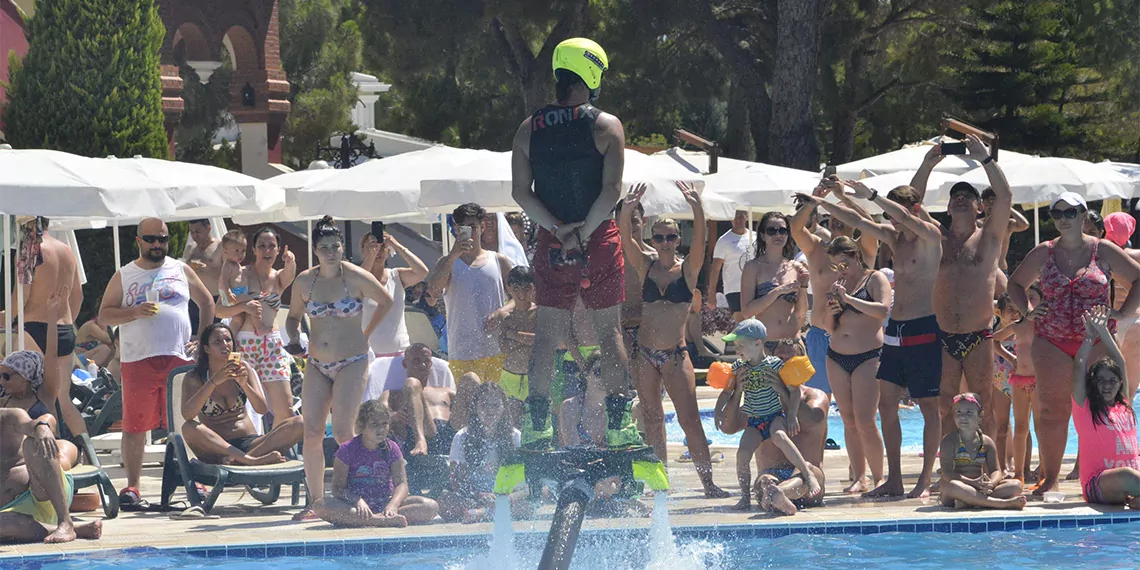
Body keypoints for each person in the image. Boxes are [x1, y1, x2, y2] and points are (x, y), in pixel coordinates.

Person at [510, 37, 635, 449]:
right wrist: (583, 232)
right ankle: (618, 424)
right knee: (608, 331)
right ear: (592, 73)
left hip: (551, 241)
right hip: (597, 238)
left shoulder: (528, 129)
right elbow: (610, 191)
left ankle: (537, 423)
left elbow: (521, 194)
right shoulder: (606, 125)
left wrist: (558, 229)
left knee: (547, 333)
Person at [807, 178, 944, 498]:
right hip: (896, 331)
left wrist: (872, 195)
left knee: (928, 407)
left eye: (897, 214)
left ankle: (923, 481)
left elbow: (910, 219)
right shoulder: (896, 239)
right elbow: (859, 221)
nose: (892, 221)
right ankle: (893, 480)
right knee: (886, 408)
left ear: (911, 209)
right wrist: (822, 202)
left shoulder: (930, 236)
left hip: (924, 327)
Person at [1008, 193, 1140, 494]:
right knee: (1052, 411)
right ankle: (1050, 477)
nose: (1063, 218)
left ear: (1084, 216)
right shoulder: (1045, 252)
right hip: (1051, 341)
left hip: (1094, 340)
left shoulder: (1102, 250)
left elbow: (1137, 279)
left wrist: (1122, 312)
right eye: (1057, 213)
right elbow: (1015, 283)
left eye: (1070, 212)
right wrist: (1028, 312)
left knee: (1101, 407)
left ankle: (1098, 471)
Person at [618, 182, 728, 498]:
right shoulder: (646, 266)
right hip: (646, 354)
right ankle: (660, 483)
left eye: (670, 237)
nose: (665, 242)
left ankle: (708, 483)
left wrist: (697, 207)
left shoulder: (688, 271)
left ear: (678, 240)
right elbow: (626, 241)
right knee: (652, 420)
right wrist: (626, 210)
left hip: (676, 354)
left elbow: (704, 243)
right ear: (653, 240)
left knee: (690, 419)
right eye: (659, 237)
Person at [98, 217, 215, 510]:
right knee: (135, 424)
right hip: (138, 356)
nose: (157, 244)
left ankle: (195, 479)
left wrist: (202, 341)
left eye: (162, 239)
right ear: (138, 241)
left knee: (187, 419)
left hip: (178, 356)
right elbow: (105, 315)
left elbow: (207, 303)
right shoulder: (125, 275)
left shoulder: (180, 268)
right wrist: (134, 312)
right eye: (150, 239)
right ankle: (133, 486)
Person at [285, 216, 393, 520]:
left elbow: (386, 301)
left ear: (342, 247)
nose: (331, 252)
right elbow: (293, 317)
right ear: (315, 251)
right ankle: (317, 502)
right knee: (312, 432)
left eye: (336, 246)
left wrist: (366, 333)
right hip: (317, 363)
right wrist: (295, 335)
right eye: (325, 248)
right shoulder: (306, 281)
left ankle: (356, 494)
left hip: (352, 362)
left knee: (345, 430)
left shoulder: (356, 276)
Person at [914, 136, 1012, 447]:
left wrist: (985, 159)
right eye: (955, 195)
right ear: (947, 206)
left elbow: (1006, 195)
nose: (960, 198)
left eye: (967, 196)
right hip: (943, 335)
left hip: (978, 335)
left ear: (980, 207)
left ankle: (989, 464)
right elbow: (911, 205)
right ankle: (950, 465)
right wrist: (928, 164)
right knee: (946, 406)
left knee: (984, 404)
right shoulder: (937, 238)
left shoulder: (989, 238)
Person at [724, 319, 820, 510]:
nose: (738, 349)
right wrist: (736, 392)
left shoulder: (779, 368)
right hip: (757, 431)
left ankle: (804, 477)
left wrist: (790, 413)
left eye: (741, 345)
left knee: (780, 437)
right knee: (747, 460)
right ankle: (749, 497)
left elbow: (802, 403)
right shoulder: (742, 370)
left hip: (778, 425)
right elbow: (727, 424)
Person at [820, 236, 891, 493]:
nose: (841, 269)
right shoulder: (838, 285)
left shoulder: (875, 279)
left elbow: (882, 311)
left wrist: (848, 299)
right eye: (836, 265)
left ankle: (879, 477)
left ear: (854, 256)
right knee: (849, 420)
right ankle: (859, 477)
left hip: (868, 355)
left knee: (865, 420)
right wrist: (831, 309)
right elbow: (830, 327)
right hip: (837, 355)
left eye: (844, 263)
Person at [179, 323, 303, 466]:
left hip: (251, 443)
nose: (225, 345)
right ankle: (248, 460)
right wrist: (213, 382)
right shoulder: (195, 378)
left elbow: (261, 409)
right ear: (207, 349)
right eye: (217, 342)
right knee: (188, 428)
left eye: (228, 340)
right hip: (216, 447)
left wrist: (244, 384)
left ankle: (242, 461)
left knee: (300, 422)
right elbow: (187, 415)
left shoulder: (243, 369)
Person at [10, 217, 86, 438]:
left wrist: (6, 316)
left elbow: (21, 296)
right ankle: (88, 452)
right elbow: (78, 297)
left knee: (28, 397)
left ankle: (41, 454)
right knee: (63, 399)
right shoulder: (67, 251)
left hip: (34, 329)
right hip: (64, 330)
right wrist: (62, 318)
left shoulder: (30, 248)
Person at [214, 227, 297, 427]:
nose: (267, 251)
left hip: (271, 345)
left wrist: (291, 261)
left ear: (278, 250)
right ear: (254, 250)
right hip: (245, 344)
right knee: (243, 407)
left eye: (272, 246)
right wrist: (244, 306)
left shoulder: (278, 277)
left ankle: (279, 450)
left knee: (285, 406)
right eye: (262, 246)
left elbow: (290, 274)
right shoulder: (241, 274)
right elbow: (219, 310)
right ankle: (250, 449)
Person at [313, 399, 439, 527]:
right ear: (362, 426)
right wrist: (357, 500)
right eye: (374, 425)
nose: (381, 429)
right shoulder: (347, 449)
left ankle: (381, 517)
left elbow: (402, 484)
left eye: (384, 424)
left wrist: (393, 506)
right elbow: (338, 489)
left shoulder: (392, 448)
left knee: (430, 506)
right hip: (356, 507)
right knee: (320, 505)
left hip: (385, 502)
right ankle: (377, 520)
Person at [427, 203, 512, 382]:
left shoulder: (499, 260)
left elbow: (518, 298)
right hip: (462, 350)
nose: (470, 232)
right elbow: (433, 290)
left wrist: (502, 311)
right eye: (464, 227)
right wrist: (452, 255)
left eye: (473, 227)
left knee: (496, 405)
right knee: (465, 406)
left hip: (496, 348)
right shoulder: (447, 262)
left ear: (482, 227)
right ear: (456, 229)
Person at [0, 294, 80, 469]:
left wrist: (52, 319)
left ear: (26, 377)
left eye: (7, 376)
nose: (2, 381)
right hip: (17, 456)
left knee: (61, 455)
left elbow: (51, 354)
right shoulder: (3, 399)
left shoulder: (45, 394)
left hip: (50, 450)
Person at [0, 407, 102, 544]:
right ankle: (75, 529)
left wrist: (41, 427)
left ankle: (65, 521)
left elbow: (29, 424)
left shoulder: (9, 416)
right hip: (10, 515)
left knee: (34, 443)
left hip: (43, 494)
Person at [1071, 306, 1140, 508]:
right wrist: (1089, 338)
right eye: (1100, 381)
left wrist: (1104, 332)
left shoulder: (1124, 405)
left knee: (1129, 477)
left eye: (1112, 381)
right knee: (1126, 475)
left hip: (1128, 488)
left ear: (1120, 383)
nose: (1106, 385)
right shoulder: (1086, 408)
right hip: (1098, 484)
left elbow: (1119, 361)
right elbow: (1078, 367)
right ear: (1094, 384)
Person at [438, 382, 529, 523]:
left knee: (529, 503)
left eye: (495, 405)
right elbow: (456, 480)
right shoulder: (462, 437)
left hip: (504, 496)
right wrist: (479, 495)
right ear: (475, 408)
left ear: (504, 408)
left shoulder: (514, 436)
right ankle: (491, 511)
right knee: (445, 502)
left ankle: (483, 513)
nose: (490, 411)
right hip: (475, 497)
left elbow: (517, 478)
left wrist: (504, 497)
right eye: (484, 405)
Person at [938, 393, 1026, 510]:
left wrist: (992, 483)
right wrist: (972, 482)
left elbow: (996, 470)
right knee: (954, 486)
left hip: (980, 488)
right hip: (958, 488)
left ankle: (970, 502)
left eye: (969, 413)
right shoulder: (950, 441)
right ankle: (1002, 504)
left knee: (1016, 485)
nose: (963, 417)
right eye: (958, 412)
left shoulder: (986, 442)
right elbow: (947, 473)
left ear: (980, 416)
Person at [993, 284, 1045, 481]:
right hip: (1007, 380)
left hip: (1032, 380)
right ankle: (1006, 469)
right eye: (1010, 310)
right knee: (1009, 426)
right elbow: (992, 340)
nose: (1015, 313)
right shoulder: (1013, 327)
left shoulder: (1041, 327)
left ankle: (1034, 470)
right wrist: (1010, 358)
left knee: (1036, 428)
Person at [740, 212, 810, 347]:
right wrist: (778, 291)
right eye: (772, 230)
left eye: (783, 230)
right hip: (767, 345)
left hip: (793, 343)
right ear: (762, 235)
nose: (778, 235)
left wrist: (804, 286)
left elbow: (801, 313)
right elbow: (747, 312)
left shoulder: (796, 267)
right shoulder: (753, 267)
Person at [360, 231, 429, 357]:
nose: (378, 251)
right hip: (368, 353)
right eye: (372, 246)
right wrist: (370, 256)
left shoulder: (396, 276)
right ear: (363, 250)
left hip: (400, 351)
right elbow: (359, 282)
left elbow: (422, 272)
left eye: (382, 247)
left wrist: (396, 245)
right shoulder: (356, 278)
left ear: (388, 251)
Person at [1103, 212, 1140, 400]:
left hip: (1114, 319)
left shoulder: (1102, 256)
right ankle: (1129, 425)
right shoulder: (1137, 255)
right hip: (1136, 319)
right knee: (1131, 385)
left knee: (1110, 379)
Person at [497, 266, 537, 426]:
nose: (521, 294)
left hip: (532, 377)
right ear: (509, 289)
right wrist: (526, 339)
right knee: (507, 425)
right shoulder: (505, 316)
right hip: (508, 376)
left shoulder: (540, 312)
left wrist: (512, 335)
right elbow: (504, 347)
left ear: (533, 288)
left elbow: (540, 342)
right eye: (517, 289)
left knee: (534, 423)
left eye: (526, 289)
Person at [708, 210, 756, 322]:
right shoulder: (724, 240)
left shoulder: (754, 237)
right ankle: (733, 340)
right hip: (734, 288)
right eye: (735, 217)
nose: (738, 220)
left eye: (741, 216)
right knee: (741, 322)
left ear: (747, 217)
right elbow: (715, 269)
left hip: (754, 286)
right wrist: (711, 294)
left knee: (755, 321)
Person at [181, 219, 224, 333]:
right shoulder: (190, 248)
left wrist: (207, 269)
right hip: (193, 300)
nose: (195, 235)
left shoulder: (220, 246)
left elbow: (228, 274)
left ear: (208, 228)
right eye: (192, 232)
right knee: (193, 335)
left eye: (198, 231)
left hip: (214, 298)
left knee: (213, 335)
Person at [978, 188, 1031, 273]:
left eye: (994, 202)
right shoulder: (977, 224)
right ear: (983, 204)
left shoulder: (1006, 224)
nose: (990, 205)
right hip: (981, 269)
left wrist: (1007, 206)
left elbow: (1024, 225)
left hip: (1000, 269)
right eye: (988, 202)